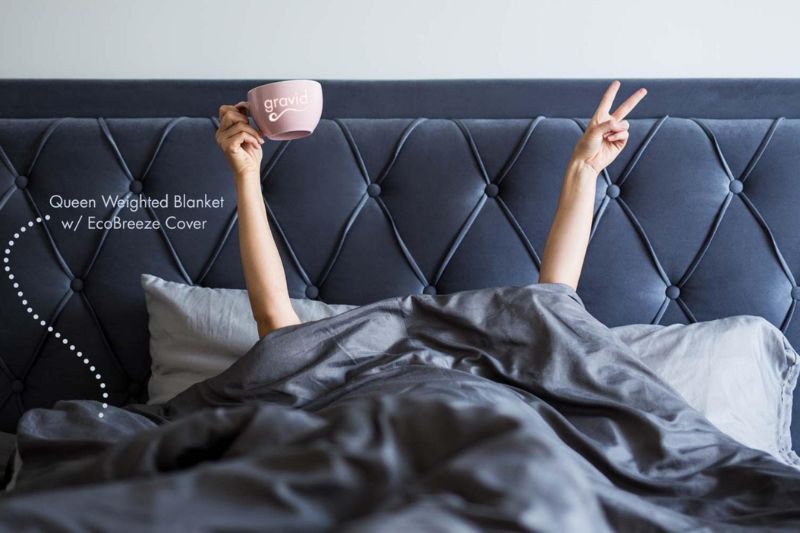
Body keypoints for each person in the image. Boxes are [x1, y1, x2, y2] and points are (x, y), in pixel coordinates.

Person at [215, 81, 647, 338]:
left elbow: (554, 304)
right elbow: (275, 320)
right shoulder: (341, 363)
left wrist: (586, 170)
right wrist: (246, 174)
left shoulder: (502, 366)